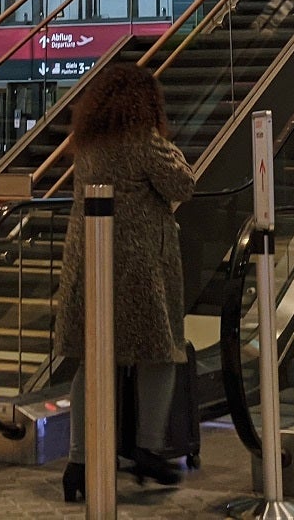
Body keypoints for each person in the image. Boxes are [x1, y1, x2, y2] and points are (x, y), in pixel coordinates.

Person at [53, 63, 195, 498]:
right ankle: (149, 449)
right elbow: (182, 184)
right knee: (160, 353)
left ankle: (78, 461)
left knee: (93, 360)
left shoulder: (88, 143)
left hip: (89, 266)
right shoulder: (144, 141)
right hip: (139, 269)